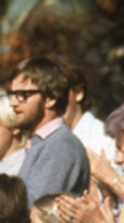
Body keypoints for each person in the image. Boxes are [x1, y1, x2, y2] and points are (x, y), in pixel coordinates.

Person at [10, 57, 90, 205]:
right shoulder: (44, 142)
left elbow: (34, 208)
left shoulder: (61, 145)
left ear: (50, 99)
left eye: (22, 95)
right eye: (13, 94)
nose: (12, 103)